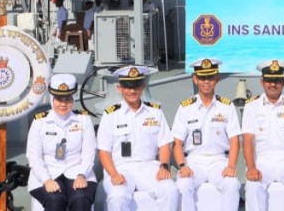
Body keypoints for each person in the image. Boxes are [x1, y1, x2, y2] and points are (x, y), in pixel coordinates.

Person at [97, 65, 178, 211]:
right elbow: (103, 151)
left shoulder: (155, 111)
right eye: (127, 87)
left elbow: (165, 143)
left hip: (149, 167)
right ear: (119, 88)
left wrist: (164, 166)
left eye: (136, 86)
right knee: (117, 196)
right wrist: (114, 174)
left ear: (143, 87)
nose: (132, 91)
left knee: (170, 189)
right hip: (120, 168)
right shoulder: (110, 115)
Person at [172, 58, 241, 211]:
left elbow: (235, 140)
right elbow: (177, 143)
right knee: (183, 184)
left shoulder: (227, 106)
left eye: (210, 77)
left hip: (219, 160)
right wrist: (182, 166)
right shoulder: (185, 108)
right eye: (202, 77)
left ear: (216, 78)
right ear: (195, 79)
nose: (206, 82)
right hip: (194, 161)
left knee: (231, 183)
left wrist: (231, 166)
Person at [241, 59, 284, 211]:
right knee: (252, 185)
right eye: (269, 80)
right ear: (262, 81)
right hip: (261, 160)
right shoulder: (251, 106)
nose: (273, 84)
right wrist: (251, 167)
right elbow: (247, 141)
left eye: (277, 80)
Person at [26, 73, 97, 211]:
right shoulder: (40, 121)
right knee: (55, 199)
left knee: (80, 197)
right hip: (48, 173)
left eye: (68, 99)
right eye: (59, 99)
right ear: (52, 98)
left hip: (78, 171)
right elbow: (34, 157)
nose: (63, 104)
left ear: (73, 99)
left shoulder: (83, 120)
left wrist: (82, 175)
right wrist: (46, 180)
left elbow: (89, 153)